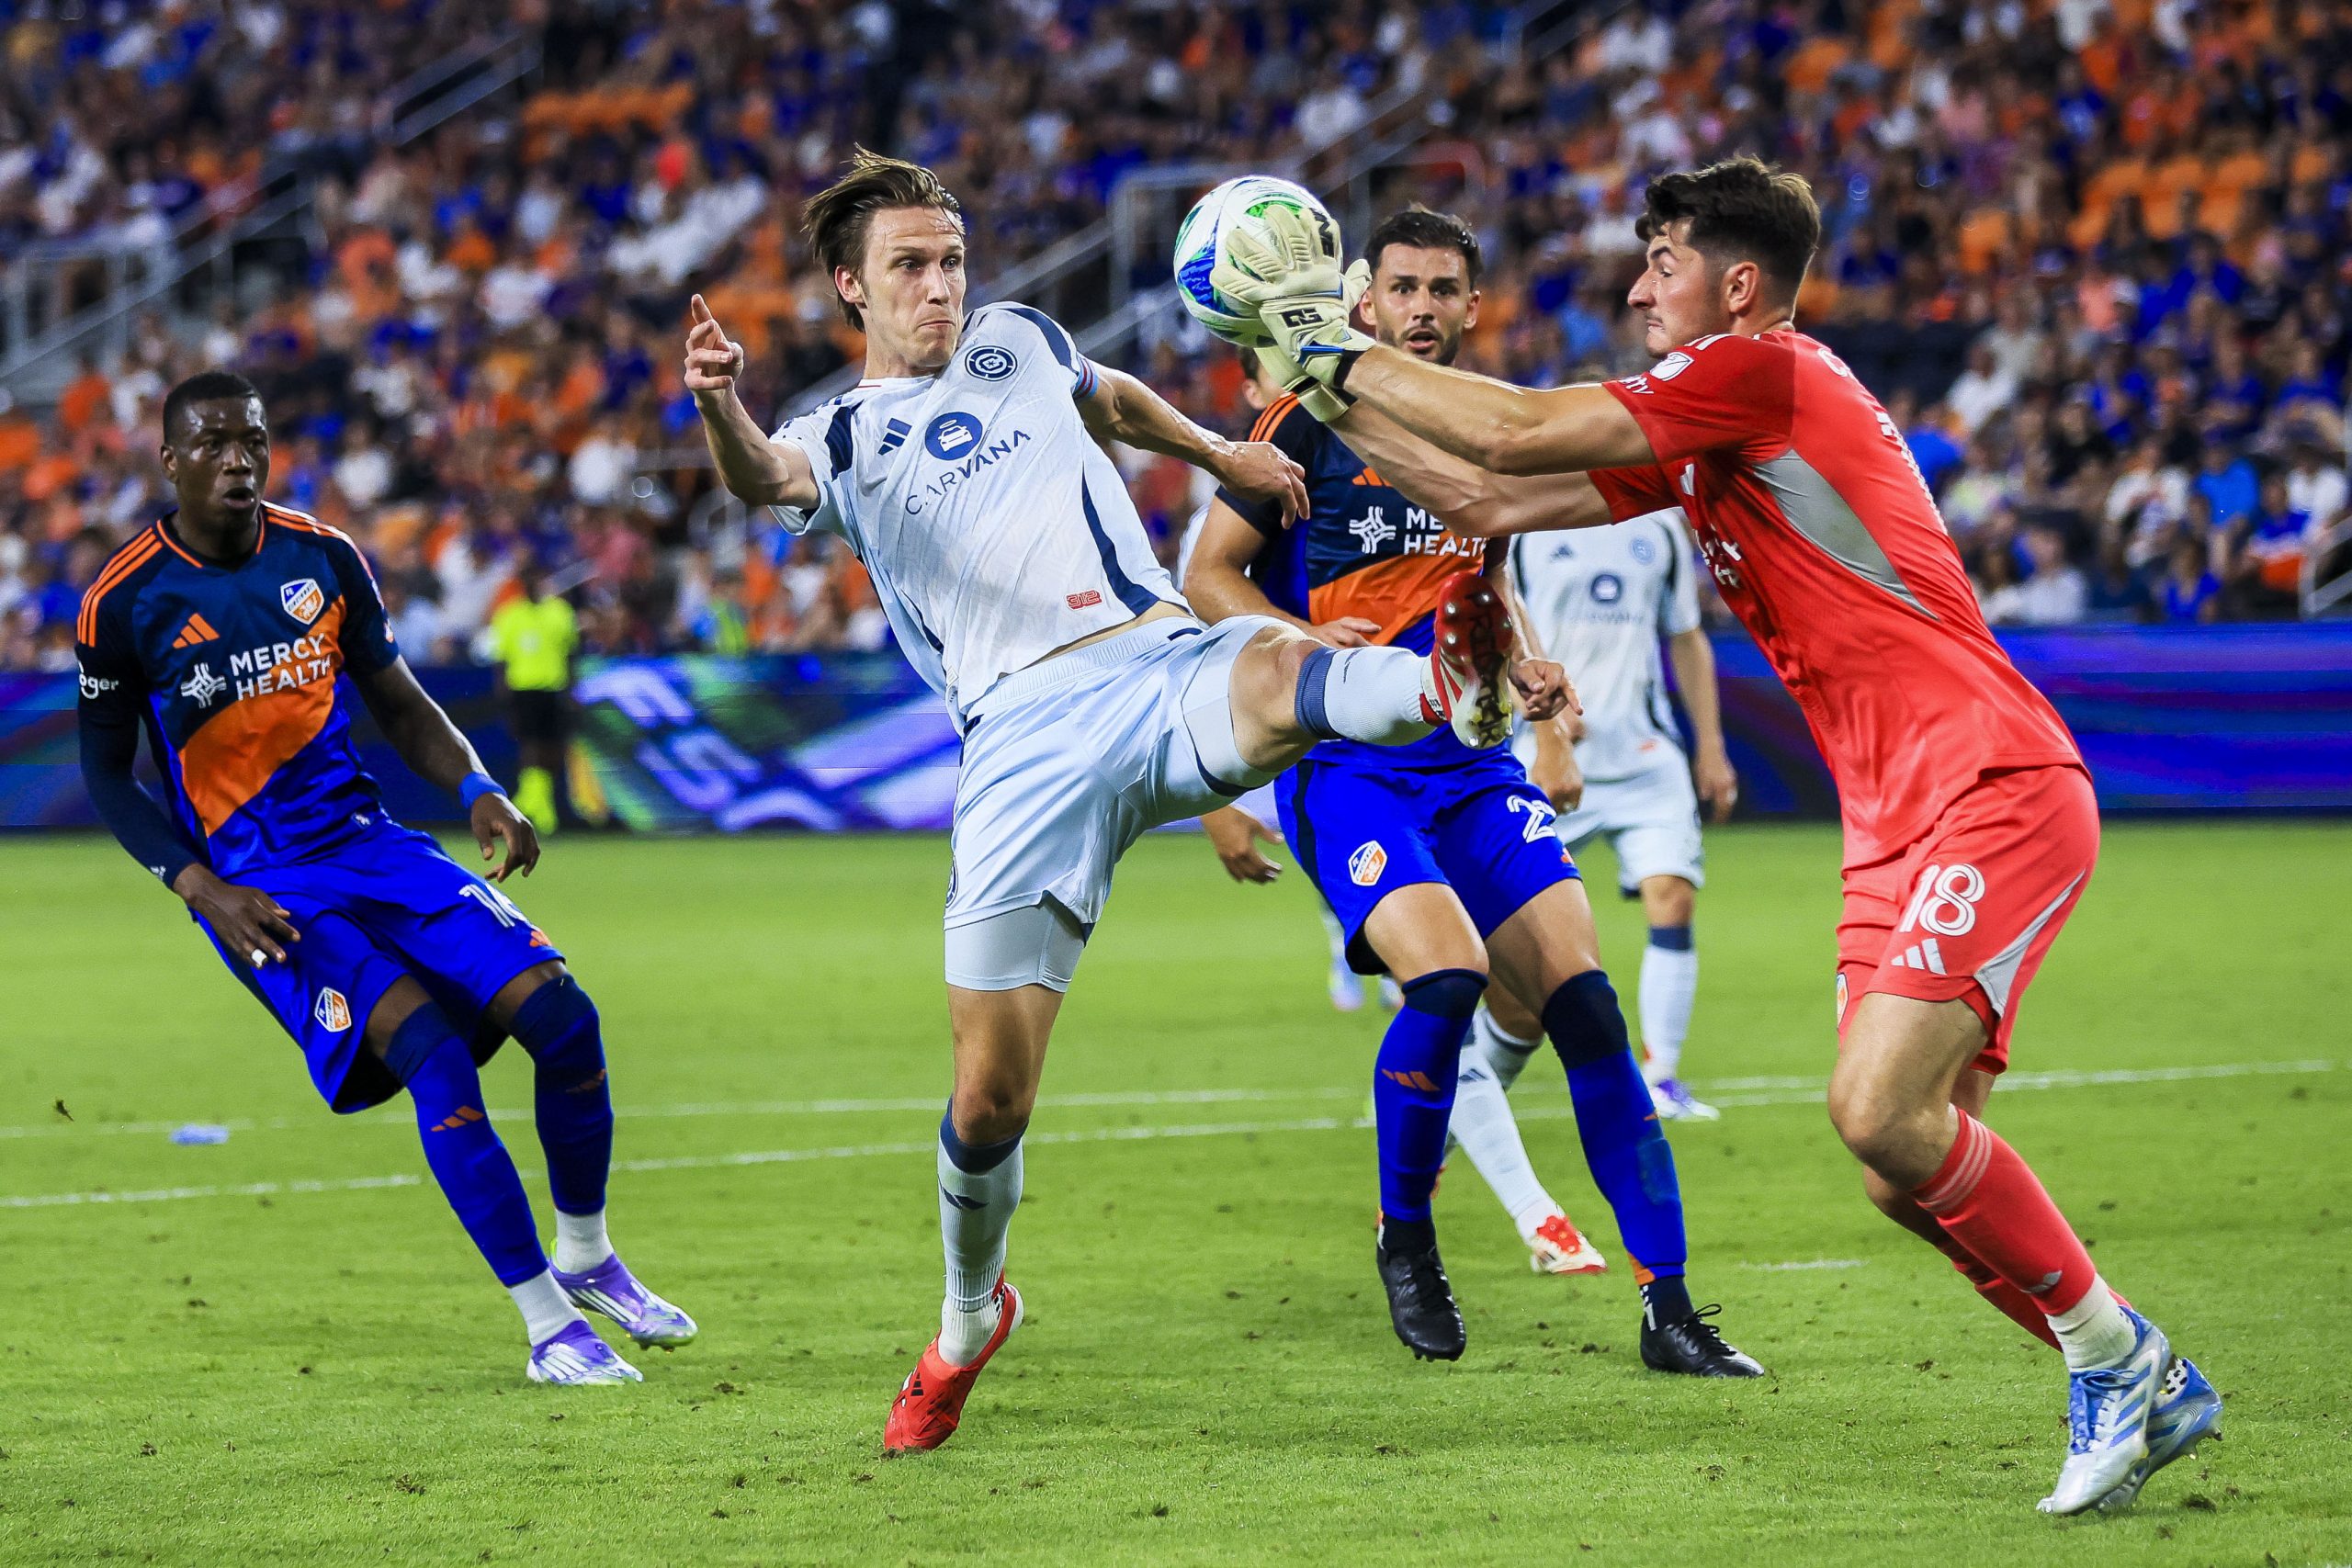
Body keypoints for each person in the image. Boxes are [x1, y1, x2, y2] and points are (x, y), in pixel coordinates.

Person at [1220, 155, 2217, 1516]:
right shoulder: (1714, 425)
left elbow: (1511, 435)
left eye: (1663, 260)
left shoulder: (1764, 372)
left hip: (1986, 775)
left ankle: (2123, 1359)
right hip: (1894, 820)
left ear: (1736, 284)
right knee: (1897, 1163)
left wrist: (1329, 344)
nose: (1637, 284)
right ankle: (2123, 1364)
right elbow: (1491, 502)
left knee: (1875, 1110)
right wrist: (1317, 388)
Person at [684, 151, 1544, 1454]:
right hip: (1021, 742)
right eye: (911, 267)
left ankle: (1452, 687)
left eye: (952, 259)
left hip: (1149, 664)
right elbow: (765, 483)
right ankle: (970, 1316)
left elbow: (1111, 395)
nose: (942, 287)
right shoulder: (839, 435)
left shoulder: (1019, 337)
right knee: (991, 1098)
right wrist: (719, 408)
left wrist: (1217, 453)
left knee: (1278, 671)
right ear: (849, 287)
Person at [1186, 208, 1758, 1371]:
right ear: (1364, 300)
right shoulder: (1298, 421)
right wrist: (1311, 647)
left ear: (1470, 305)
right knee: (1444, 979)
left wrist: (1529, 674)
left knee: (1586, 1009)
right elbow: (1204, 577)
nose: (1424, 311)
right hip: (1347, 770)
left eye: (1446, 290)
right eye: (1403, 288)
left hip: (1473, 761)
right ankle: (1409, 1240)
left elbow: (1482, 584)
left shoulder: (1476, 437)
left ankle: (1671, 1308)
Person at [76, 371, 693, 1387]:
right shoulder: (124, 599)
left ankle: (588, 1258)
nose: (240, 459)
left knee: (565, 1019)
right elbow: (105, 772)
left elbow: (401, 704)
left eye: (254, 440)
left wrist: (482, 787)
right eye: (215, 443)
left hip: (375, 844)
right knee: (436, 1060)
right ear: (170, 459)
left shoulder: (322, 557)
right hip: (261, 886)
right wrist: (201, 889)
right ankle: (547, 1329)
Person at [1505, 507, 1736, 1121]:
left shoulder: (1658, 526)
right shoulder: (1527, 523)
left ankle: (1660, 1078)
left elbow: (1686, 637)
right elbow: (1500, 630)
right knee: (1501, 921)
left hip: (1644, 752)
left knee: (1673, 896)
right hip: (1545, 756)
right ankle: (1445, 1073)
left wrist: (1710, 748)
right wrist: (1544, 710)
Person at [488, 556, 579, 832]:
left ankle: (539, 801)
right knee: (530, 746)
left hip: (554, 687)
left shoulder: (560, 612)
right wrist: (503, 693)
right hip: (523, 689)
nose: (531, 584)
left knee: (553, 747)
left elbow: (571, 653)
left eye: (536, 578)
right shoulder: (509, 614)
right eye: (526, 579)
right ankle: (531, 802)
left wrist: (573, 689)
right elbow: (501, 660)